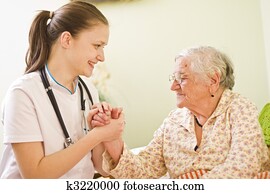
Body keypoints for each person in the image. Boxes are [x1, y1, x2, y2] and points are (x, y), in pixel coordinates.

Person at [97, 46, 270, 178]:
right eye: (174, 78)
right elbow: (145, 170)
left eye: (182, 78)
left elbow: (244, 166)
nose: (173, 87)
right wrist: (113, 140)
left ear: (213, 80)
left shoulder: (240, 108)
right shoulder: (174, 121)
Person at [0, 1, 125, 179]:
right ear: (67, 39)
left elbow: (101, 168)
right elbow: (35, 176)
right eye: (97, 46)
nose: (101, 57)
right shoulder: (23, 94)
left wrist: (108, 133)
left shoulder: (88, 90)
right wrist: (95, 136)